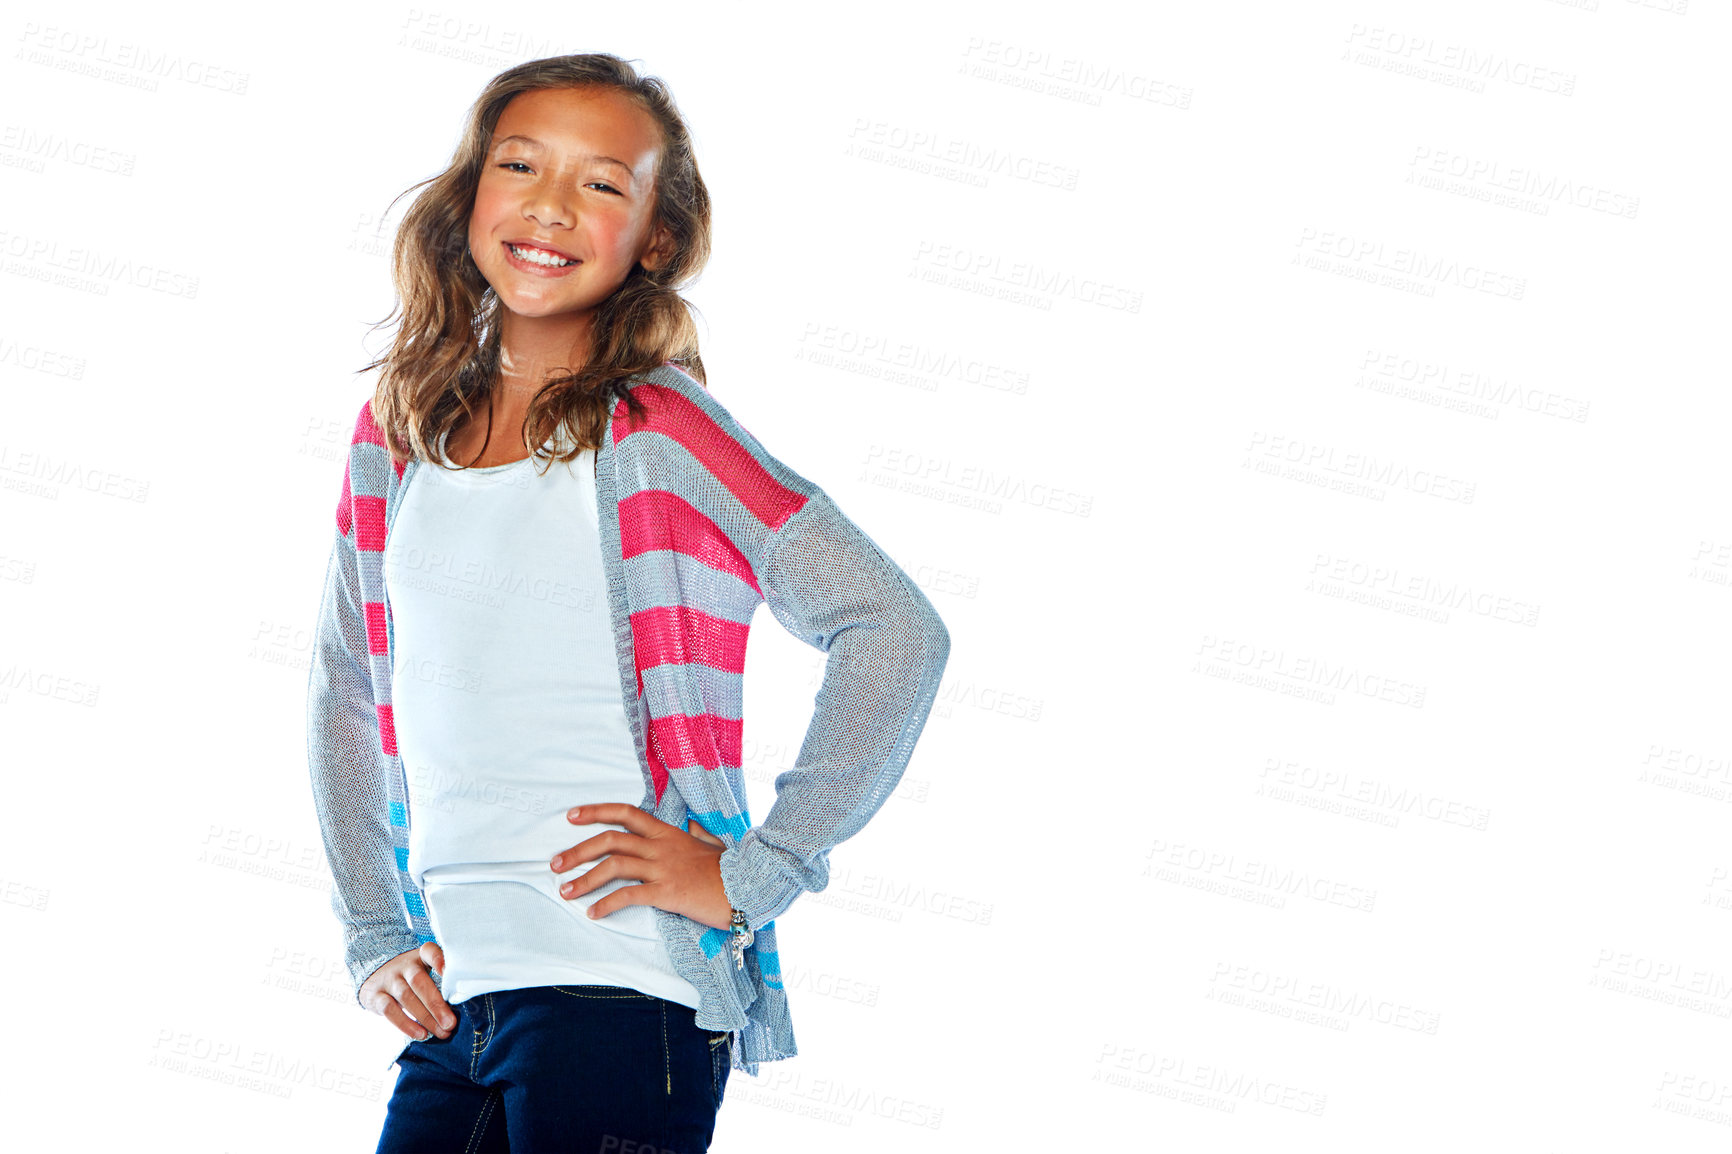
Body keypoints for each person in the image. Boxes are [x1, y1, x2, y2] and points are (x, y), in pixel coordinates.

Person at [304, 53, 950, 1153]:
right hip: (459, 994)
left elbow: (892, 627)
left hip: (620, 988)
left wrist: (759, 868)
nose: (552, 205)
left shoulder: (662, 432)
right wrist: (375, 926)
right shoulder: (397, 433)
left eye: (602, 182)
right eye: (520, 165)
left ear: (654, 237)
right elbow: (349, 688)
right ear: (470, 197)